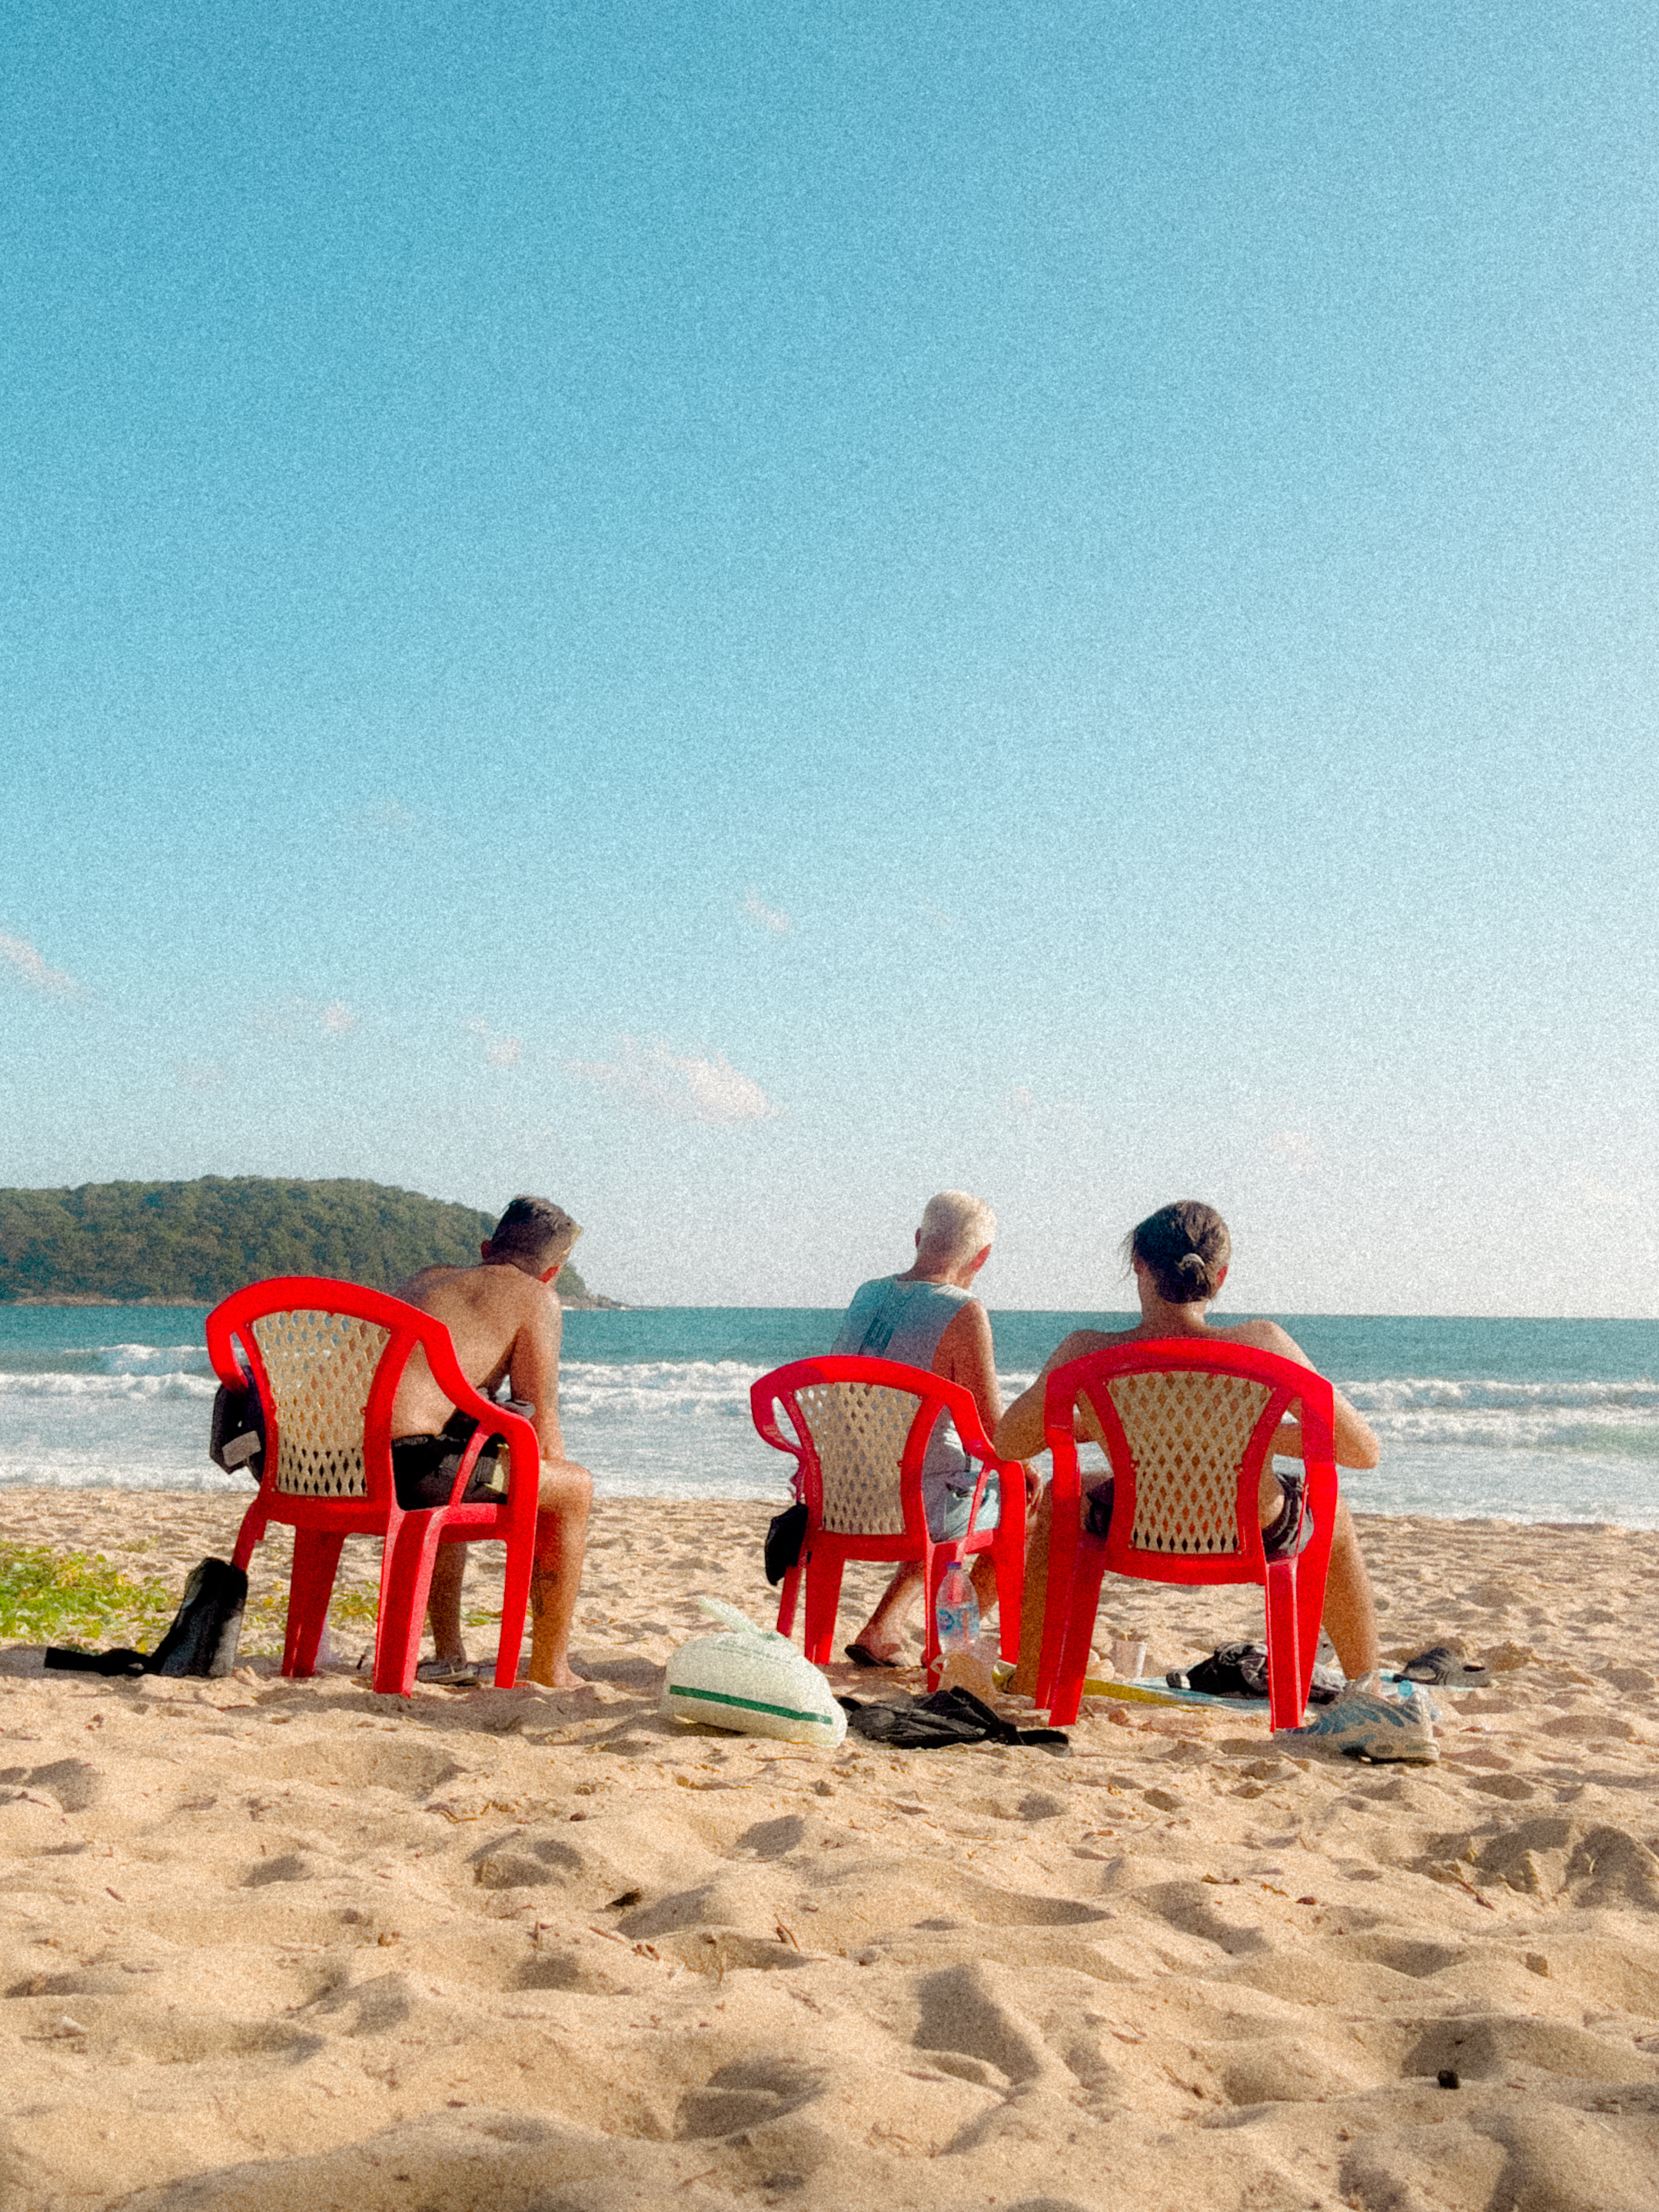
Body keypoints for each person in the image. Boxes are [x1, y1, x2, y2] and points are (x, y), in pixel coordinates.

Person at [995, 1199, 1382, 1694]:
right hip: (1253, 1531)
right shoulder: (1264, 1343)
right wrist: (1255, 1437)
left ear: (1137, 1263)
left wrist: (1108, 1426)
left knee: (1063, 1497)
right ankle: (1367, 1689)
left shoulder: (1086, 1351)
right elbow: (1361, 1452)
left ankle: (1034, 1676)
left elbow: (1009, 1443)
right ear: (1220, 1277)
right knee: (1334, 1514)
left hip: (1134, 1527)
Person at [390, 1196, 593, 1689]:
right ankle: (551, 1668)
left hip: (342, 1463)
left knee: (457, 1456)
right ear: (553, 1271)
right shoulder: (535, 1296)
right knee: (574, 1490)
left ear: (486, 1247)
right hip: (413, 1470)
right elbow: (541, 1418)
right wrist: (553, 1483)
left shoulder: (424, 1279)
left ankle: (449, 1654)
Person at [830, 1191, 1036, 1666]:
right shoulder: (963, 1310)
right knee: (1019, 1506)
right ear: (981, 1258)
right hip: (913, 1504)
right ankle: (953, 1647)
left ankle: (882, 1628)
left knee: (938, 1479)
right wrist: (1026, 1465)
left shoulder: (867, 1294)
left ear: (920, 1238)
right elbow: (995, 1434)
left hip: (843, 1497)